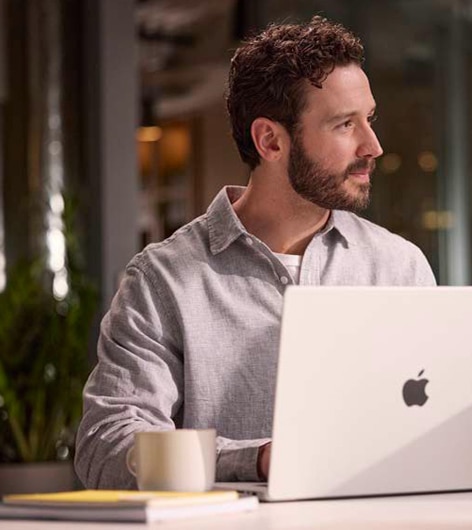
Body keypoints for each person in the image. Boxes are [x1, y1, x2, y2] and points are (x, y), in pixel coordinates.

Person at [75, 16, 436, 489]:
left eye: (369, 119)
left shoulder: (400, 266)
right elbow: (106, 446)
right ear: (270, 140)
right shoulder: (162, 279)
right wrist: (257, 460)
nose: (374, 146)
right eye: (345, 124)